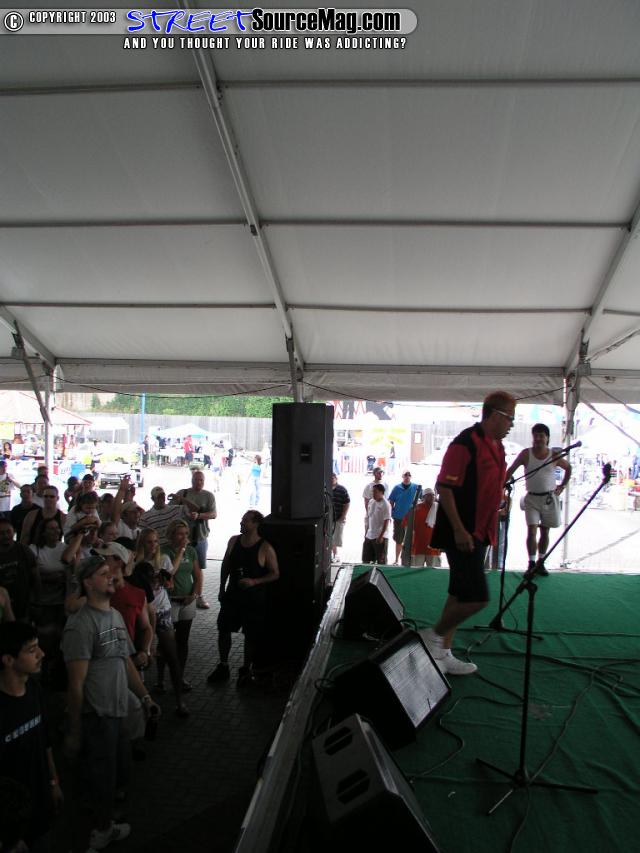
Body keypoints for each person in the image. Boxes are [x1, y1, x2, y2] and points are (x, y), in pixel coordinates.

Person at [61, 555, 160, 851]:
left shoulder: (114, 616)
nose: (112, 577)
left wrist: (144, 697)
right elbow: (75, 684)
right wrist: (75, 731)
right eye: (104, 574)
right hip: (98, 715)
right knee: (99, 777)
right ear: (87, 583)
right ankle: (95, 833)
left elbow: (125, 661)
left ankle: (104, 824)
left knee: (116, 773)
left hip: (118, 712)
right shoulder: (80, 626)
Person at [424, 391, 517, 676]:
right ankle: (432, 636)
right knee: (477, 598)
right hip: (462, 532)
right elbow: (445, 488)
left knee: (458, 593)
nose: (512, 425)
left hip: (482, 530)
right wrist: (459, 530)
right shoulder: (465, 443)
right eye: (509, 418)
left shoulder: (498, 447)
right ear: (495, 415)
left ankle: (442, 653)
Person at [0, 622, 64, 851]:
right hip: (11, 819)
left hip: (41, 801)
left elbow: (45, 743)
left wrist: (53, 782)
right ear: (8, 660)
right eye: (32, 650)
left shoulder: (35, 690)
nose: (41, 654)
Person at [208, 510, 279, 686]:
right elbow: (225, 565)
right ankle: (223, 665)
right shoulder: (233, 541)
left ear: (256, 524)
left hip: (254, 599)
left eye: (245, 520)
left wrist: (254, 581)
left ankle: (246, 669)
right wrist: (221, 588)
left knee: (250, 634)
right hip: (233, 595)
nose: (241, 522)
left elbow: (275, 573)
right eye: (242, 519)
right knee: (223, 629)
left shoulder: (265, 548)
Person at [505, 422, 572, 576]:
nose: (538, 439)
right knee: (532, 530)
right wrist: (501, 484)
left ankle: (541, 562)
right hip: (531, 499)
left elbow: (568, 468)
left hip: (549, 498)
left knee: (545, 531)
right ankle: (531, 563)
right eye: (535, 436)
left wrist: (562, 486)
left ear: (547, 438)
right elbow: (511, 470)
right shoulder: (525, 454)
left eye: (541, 436)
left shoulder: (554, 455)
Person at [135, 529, 188, 716]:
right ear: (142, 543)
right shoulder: (135, 562)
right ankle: (143, 700)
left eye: (156, 541)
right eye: (149, 542)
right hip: (142, 610)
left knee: (171, 653)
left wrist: (166, 582)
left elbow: (170, 584)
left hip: (162, 609)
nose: (153, 545)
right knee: (142, 654)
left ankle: (179, 701)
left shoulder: (163, 559)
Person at [161, 519, 203, 690]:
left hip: (187, 600)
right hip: (170, 601)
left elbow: (197, 575)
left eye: (186, 534)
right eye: (180, 534)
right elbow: (169, 573)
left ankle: (179, 676)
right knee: (166, 642)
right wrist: (180, 552)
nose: (184, 537)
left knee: (182, 641)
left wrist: (194, 595)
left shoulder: (191, 551)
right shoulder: (164, 551)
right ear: (171, 535)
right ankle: (160, 678)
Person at [171, 470, 216, 609]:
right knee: (178, 565)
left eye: (201, 480)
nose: (199, 483)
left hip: (200, 537)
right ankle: (177, 592)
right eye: (196, 480)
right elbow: (170, 509)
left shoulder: (208, 496)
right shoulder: (183, 493)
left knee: (199, 567)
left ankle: (198, 595)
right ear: (192, 480)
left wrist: (199, 516)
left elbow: (214, 514)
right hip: (181, 538)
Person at [0, 519, 39, 621]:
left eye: (8, 532)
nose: (5, 536)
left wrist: (36, 599)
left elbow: (35, 575)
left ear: (14, 532)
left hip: (23, 603)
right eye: (1, 533)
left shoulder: (24, 550)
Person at [402, 488, 442, 567]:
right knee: (416, 571)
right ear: (423, 497)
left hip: (433, 548)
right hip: (418, 547)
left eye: (433, 495)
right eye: (429, 495)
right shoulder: (416, 509)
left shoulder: (438, 509)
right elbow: (406, 525)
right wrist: (407, 541)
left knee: (433, 572)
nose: (432, 497)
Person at [388, 470, 419, 564]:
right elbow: (391, 501)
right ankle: (396, 559)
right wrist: (391, 512)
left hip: (412, 518)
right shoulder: (397, 488)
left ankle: (409, 560)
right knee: (399, 539)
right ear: (402, 476)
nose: (407, 476)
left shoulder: (416, 487)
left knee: (411, 540)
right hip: (399, 517)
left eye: (409, 475)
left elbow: (421, 499)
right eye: (406, 475)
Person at [362, 483, 391, 564]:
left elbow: (386, 521)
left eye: (375, 492)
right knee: (366, 559)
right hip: (369, 534)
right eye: (373, 491)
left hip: (380, 536)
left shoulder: (386, 504)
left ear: (382, 492)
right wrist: (366, 532)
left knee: (381, 561)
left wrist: (381, 536)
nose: (373, 493)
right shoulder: (371, 501)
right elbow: (369, 517)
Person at [331, 473, 350, 561]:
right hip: (328, 519)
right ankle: (331, 555)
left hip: (338, 518)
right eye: (330, 478)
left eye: (333, 478)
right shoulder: (325, 489)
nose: (332, 479)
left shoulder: (342, 489)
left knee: (336, 538)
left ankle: (335, 555)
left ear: (336, 478)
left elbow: (347, 503)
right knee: (329, 538)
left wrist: (343, 516)